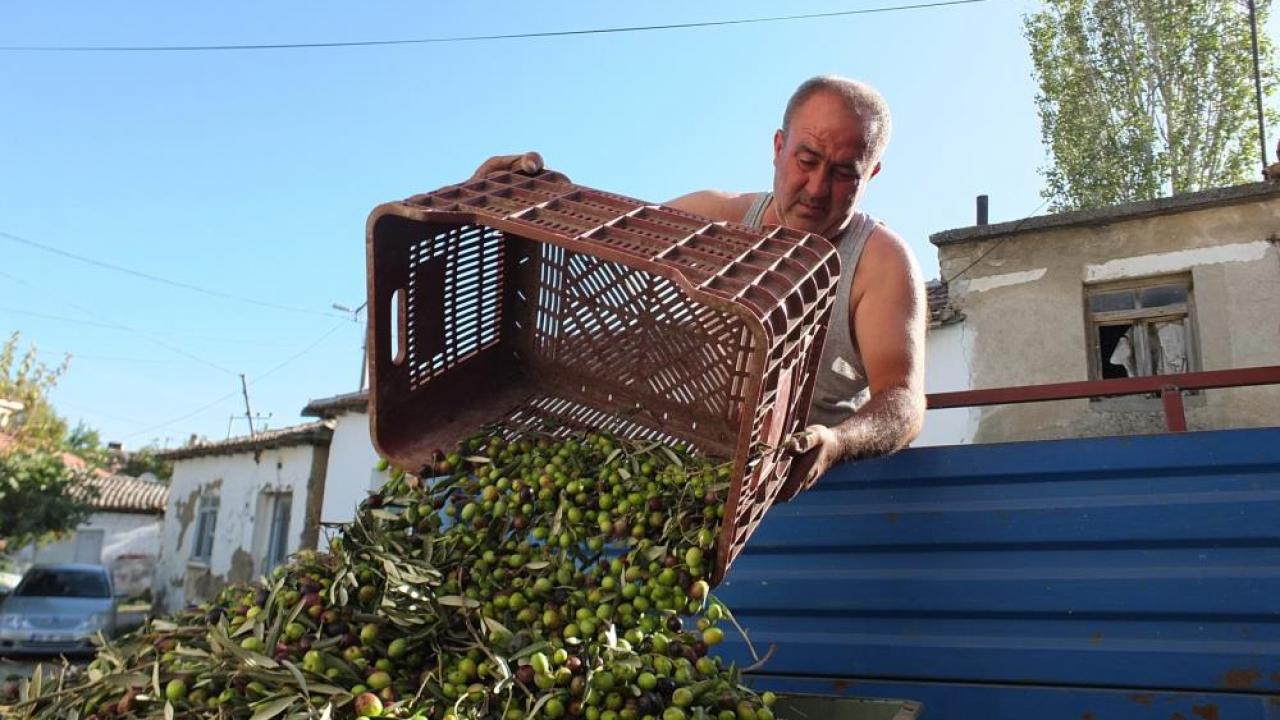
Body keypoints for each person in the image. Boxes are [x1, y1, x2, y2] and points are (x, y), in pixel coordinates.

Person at [471, 75, 926, 500]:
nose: (816, 187)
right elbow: (603, 232)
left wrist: (837, 444)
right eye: (806, 161)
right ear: (778, 147)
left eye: (844, 173)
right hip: (687, 477)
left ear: (871, 175)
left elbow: (903, 403)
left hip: (798, 492)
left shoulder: (879, 264)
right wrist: (530, 199)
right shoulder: (719, 219)